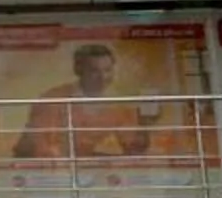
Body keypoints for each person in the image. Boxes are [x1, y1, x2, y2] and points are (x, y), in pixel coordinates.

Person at [12, 42, 165, 161]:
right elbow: (40, 148)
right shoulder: (53, 99)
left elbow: (133, 149)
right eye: (94, 71)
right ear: (78, 70)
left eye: (107, 70)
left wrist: (145, 125)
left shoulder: (119, 105)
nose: (102, 77)